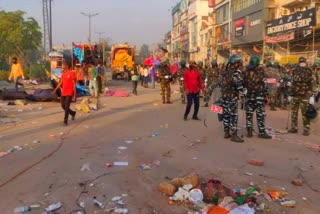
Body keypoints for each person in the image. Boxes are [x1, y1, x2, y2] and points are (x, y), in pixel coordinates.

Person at [243, 56, 272, 139]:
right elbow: (264, 82)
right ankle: (262, 132)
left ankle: (249, 131)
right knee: (260, 115)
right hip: (258, 95)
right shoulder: (261, 71)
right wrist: (266, 95)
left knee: (249, 114)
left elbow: (243, 82)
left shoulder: (245, 71)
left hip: (249, 95)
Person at [220, 55, 245, 143]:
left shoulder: (224, 71)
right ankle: (234, 135)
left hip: (224, 96)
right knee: (233, 116)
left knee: (226, 114)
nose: (240, 64)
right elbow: (239, 85)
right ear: (235, 63)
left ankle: (226, 132)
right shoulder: (236, 73)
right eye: (239, 63)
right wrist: (244, 92)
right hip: (232, 97)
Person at [288, 57, 313, 136]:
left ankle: (300, 129)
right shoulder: (299, 70)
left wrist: (311, 95)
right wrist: (290, 93)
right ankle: (299, 128)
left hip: (301, 95)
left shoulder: (308, 70)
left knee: (300, 113)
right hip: (300, 95)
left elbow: (312, 83)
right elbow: (293, 82)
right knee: (299, 113)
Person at [52, 61, 76, 126]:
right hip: (64, 92)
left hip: (70, 92)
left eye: (63, 65)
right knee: (63, 105)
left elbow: (74, 84)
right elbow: (60, 83)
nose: (62, 66)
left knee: (67, 106)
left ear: (67, 66)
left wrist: (74, 95)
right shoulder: (63, 74)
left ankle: (65, 121)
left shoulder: (71, 73)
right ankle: (73, 113)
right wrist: (55, 90)